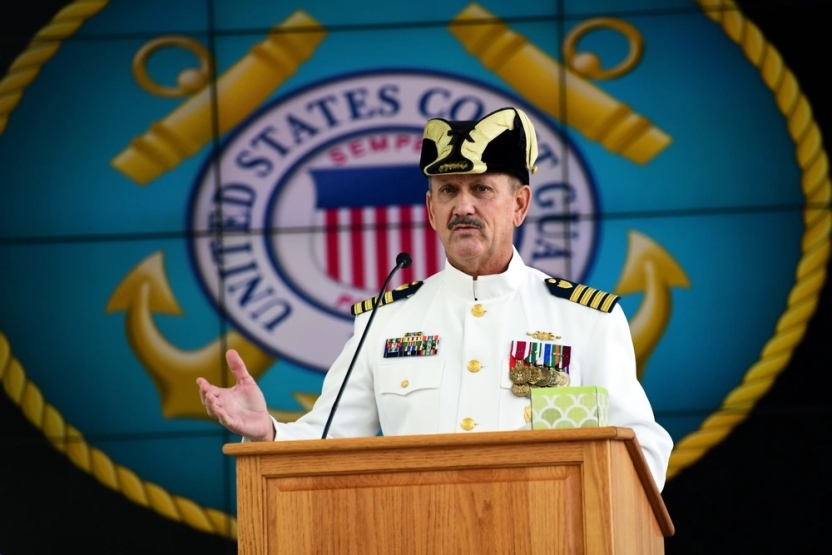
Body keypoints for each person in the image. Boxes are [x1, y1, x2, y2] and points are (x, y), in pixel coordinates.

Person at [197, 106, 673, 490]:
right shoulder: (384, 322)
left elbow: (644, 449)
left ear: (520, 204)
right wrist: (267, 431)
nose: (463, 206)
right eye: (448, 190)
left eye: (482, 189)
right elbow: (329, 438)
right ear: (430, 209)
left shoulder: (586, 318)